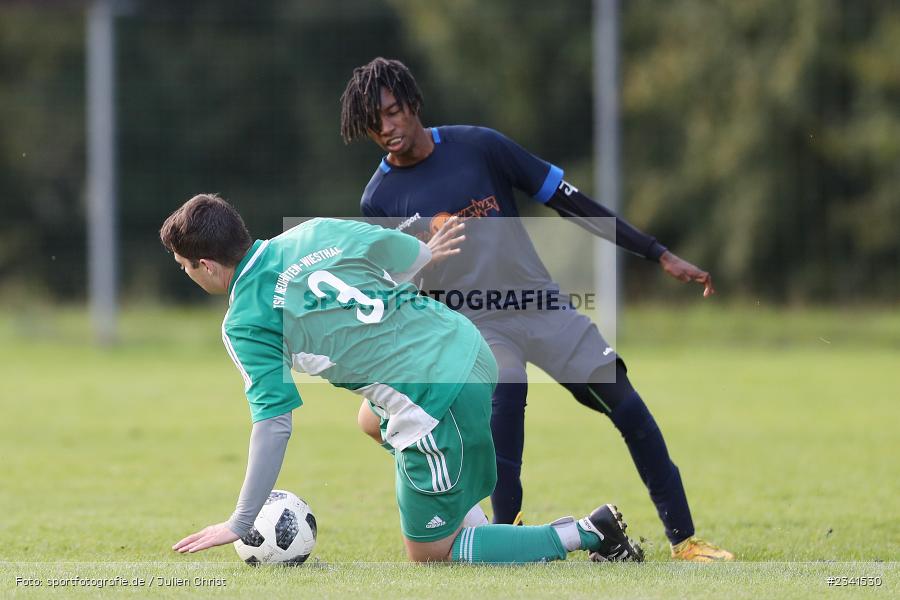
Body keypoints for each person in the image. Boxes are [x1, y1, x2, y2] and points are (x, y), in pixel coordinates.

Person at [340, 57, 733, 561]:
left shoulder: (479, 146)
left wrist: (656, 252)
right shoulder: (379, 198)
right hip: (473, 321)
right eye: (374, 125)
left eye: (393, 113)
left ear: (413, 103)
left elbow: (569, 201)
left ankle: (686, 541)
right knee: (508, 387)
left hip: (541, 304)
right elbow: (397, 284)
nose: (387, 129)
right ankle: (514, 537)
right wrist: (423, 250)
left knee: (628, 405)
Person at [162, 193, 643, 564]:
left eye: (186, 268)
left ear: (207, 265)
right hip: (468, 343)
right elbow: (413, 256)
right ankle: (453, 502)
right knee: (370, 421)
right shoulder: (311, 232)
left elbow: (274, 422)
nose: (189, 275)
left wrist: (239, 521)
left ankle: (588, 531)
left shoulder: (244, 320)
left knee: (430, 554)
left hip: (434, 396)